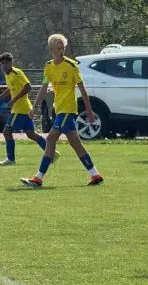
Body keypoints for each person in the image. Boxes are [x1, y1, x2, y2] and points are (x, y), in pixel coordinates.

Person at [21, 34, 103, 188]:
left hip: (68, 110)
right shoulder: (49, 67)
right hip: (59, 110)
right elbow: (44, 89)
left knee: (51, 139)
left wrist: (89, 111)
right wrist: (34, 106)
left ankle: (38, 178)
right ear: (52, 49)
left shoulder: (71, 66)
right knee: (76, 144)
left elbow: (83, 90)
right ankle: (95, 175)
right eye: (59, 48)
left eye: (63, 48)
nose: (62, 50)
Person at [0, 52, 60, 166]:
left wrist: (14, 100)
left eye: (6, 63)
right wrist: (2, 97)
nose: (4, 66)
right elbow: (11, 89)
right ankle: (52, 153)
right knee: (31, 134)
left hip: (20, 110)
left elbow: (28, 86)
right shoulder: (8, 75)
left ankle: (10, 159)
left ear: (11, 63)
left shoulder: (17, 73)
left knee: (6, 132)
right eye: (2, 64)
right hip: (24, 109)